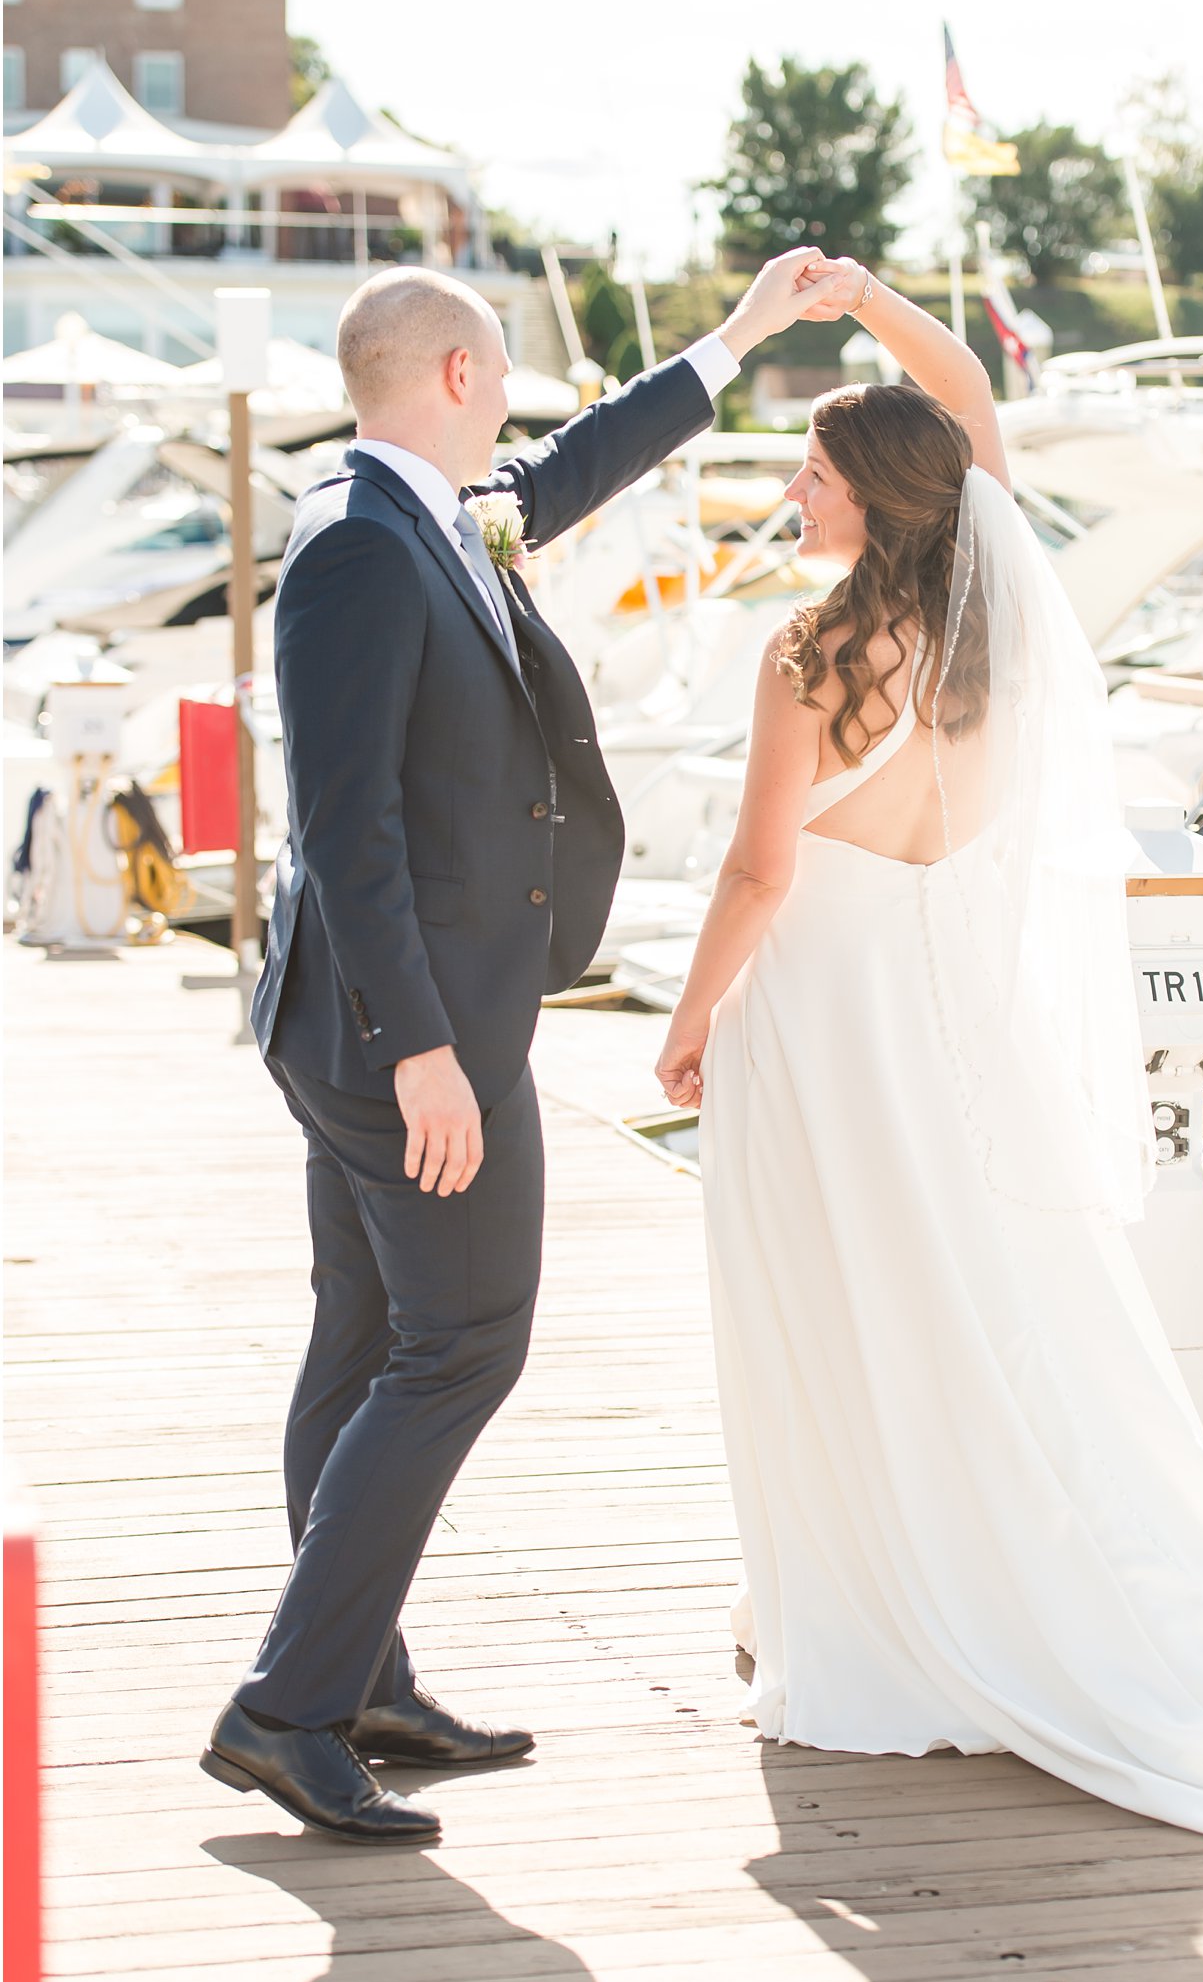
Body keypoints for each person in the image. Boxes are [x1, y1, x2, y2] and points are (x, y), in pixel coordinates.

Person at [655, 255, 1203, 1879]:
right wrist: (876, 310)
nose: (793, 489)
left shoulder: (809, 658)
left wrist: (689, 1017)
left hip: (818, 1017)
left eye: (816, 471)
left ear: (870, 498)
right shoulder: (987, 648)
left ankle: (842, 1605)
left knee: (822, 1295)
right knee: (948, 1293)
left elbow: (759, 875)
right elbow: (971, 415)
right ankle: (922, 1580)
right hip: (933, 1027)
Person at [203, 254, 835, 1845]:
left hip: (390, 1022)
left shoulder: (440, 512)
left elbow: (582, 465)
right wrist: (422, 1051)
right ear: (461, 380)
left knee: (366, 1347)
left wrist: (737, 339)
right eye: (507, 386)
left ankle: (353, 1683)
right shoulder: (360, 544)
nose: (521, 432)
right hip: (399, 1035)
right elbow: (345, 828)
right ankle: (286, 1709)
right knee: (463, 1341)